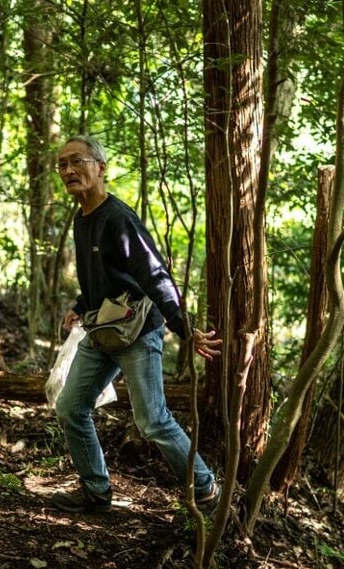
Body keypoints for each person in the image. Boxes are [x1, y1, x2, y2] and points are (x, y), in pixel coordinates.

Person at [49, 135, 223, 514]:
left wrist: (183, 326)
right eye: (62, 165)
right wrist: (81, 304)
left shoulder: (119, 218)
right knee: (70, 408)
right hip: (101, 329)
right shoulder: (82, 218)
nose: (68, 171)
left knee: (153, 421)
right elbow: (103, 273)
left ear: (100, 167)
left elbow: (153, 274)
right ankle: (96, 492)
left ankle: (207, 490)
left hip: (137, 330)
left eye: (76, 161)